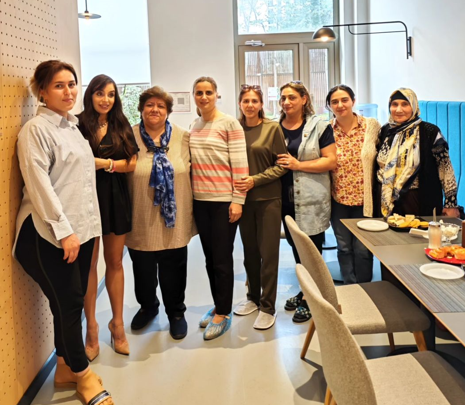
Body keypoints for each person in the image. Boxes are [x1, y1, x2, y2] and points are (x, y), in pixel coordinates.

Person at [14, 60, 113, 404]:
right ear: (42, 91)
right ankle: (84, 376)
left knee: (67, 303)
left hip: (80, 231)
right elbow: (39, 185)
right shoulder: (35, 130)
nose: (69, 91)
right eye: (59, 85)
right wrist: (64, 232)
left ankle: (63, 368)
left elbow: (81, 184)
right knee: (70, 303)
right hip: (47, 234)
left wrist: (88, 230)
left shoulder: (72, 127)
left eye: (72, 84)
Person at [125, 86, 195, 340]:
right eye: (149, 105)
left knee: (174, 268)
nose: (154, 109)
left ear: (168, 111)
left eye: (160, 106)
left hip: (174, 218)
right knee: (142, 270)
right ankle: (148, 307)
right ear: (141, 109)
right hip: (140, 216)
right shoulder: (128, 136)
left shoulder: (183, 137)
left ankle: (176, 313)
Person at [77, 74, 138, 360]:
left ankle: (118, 325)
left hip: (115, 198)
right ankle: (91, 328)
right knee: (89, 264)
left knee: (115, 262)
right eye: (100, 93)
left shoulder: (121, 123)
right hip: (85, 199)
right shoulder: (77, 124)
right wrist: (114, 164)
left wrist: (103, 163)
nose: (106, 99)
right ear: (90, 95)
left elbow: (132, 164)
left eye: (111, 94)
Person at [189, 77, 248, 340]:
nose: (204, 97)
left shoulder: (229, 124)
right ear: (194, 95)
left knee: (222, 260)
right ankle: (218, 305)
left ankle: (223, 313)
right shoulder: (195, 124)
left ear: (216, 95)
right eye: (199, 92)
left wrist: (238, 200)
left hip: (224, 201)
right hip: (200, 201)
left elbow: (240, 164)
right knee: (210, 258)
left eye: (208, 92)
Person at [276, 81, 336, 323]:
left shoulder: (319, 125)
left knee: (312, 250)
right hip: (284, 200)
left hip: (311, 198)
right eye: (283, 98)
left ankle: (314, 298)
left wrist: (298, 165)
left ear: (304, 99)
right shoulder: (275, 127)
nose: (286, 102)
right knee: (296, 247)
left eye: (292, 97)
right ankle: (306, 291)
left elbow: (330, 160)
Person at [233, 84, 287, 330]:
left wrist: (255, 180)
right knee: (250, 253)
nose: (250, 105)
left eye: (254, 101)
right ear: (240, 104)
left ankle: (268, 306)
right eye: (246, 101)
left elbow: (282, 165)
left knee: (269, 254)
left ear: (261, 104)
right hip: (243, 201)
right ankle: (253, 298)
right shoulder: (235, 129)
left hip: (268, 200)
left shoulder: (272, 128)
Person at [374, 88, 459, 219]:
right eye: (394, 104)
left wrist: (451, 204)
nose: (399, 109)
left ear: (414, 106)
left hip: (417, 199)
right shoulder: (385, 131)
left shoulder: (430, 132)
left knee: (416, 231)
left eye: (405, 104)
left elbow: (445, 168)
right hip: (385, 198)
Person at [326, 85, 381, 284]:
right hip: (338, 199)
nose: (340, 105)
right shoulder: (327, 130)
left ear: (353, 101)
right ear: (329, 106)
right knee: (344, 247)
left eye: (344, 100)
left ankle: (365, 287)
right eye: (334, 102)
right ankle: (350, 287)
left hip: (365, 201)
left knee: (363, 248)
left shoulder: (371, 126)